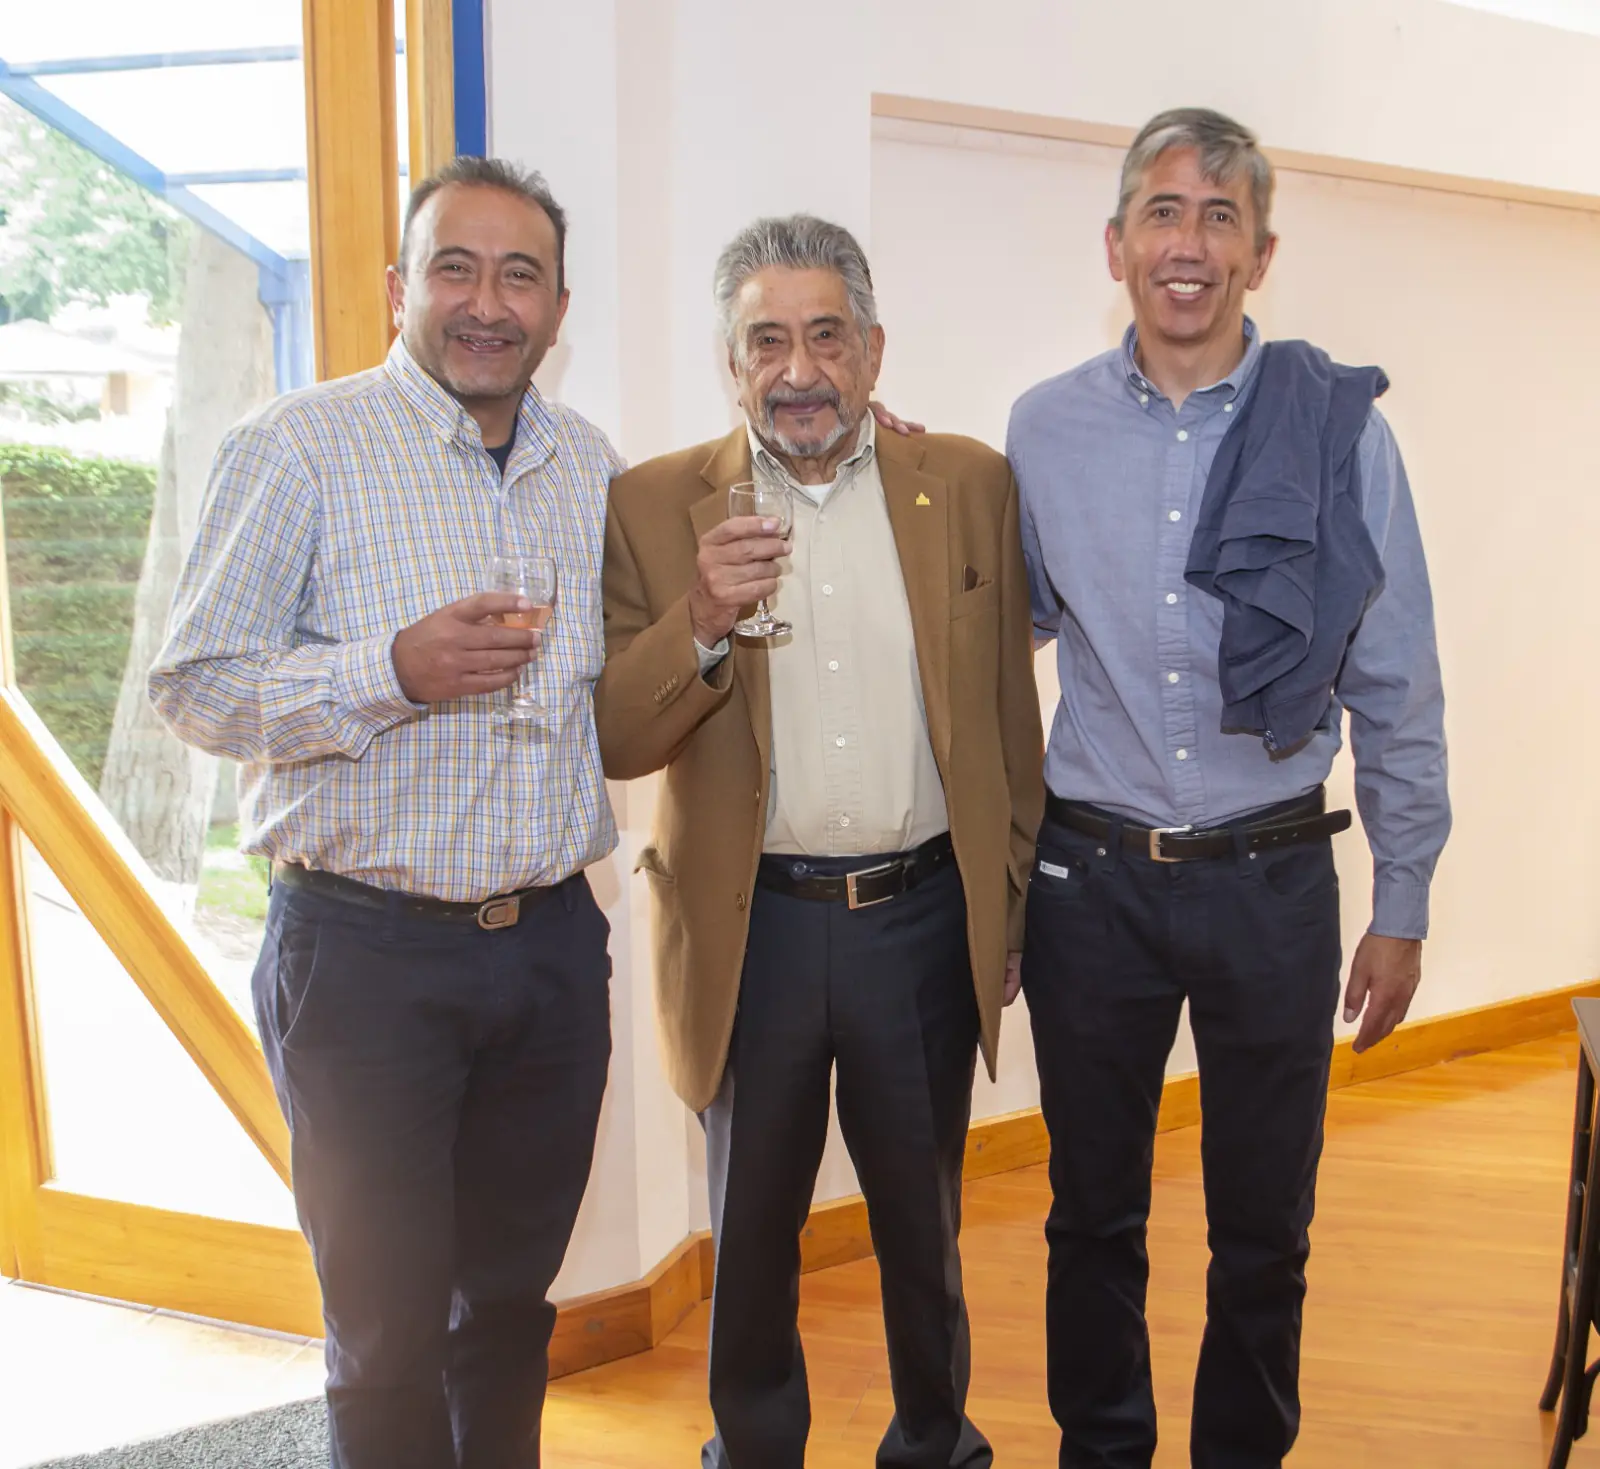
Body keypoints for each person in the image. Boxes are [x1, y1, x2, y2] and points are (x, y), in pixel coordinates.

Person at [149, 157, 620, 1469]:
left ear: (558, 305)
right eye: (455, 269)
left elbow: (639, 663)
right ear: (400, 287)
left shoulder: (589, 466)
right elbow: (195, 687)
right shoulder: (298, 446)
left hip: (548, 951)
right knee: (386, 1333)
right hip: (364, 960)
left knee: (511, 1309)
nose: (488, 302)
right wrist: (390, 672)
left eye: (519, 274)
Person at [1008, 108, 1451, 1468]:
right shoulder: (1043, 430)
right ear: (1116, 244)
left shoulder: (1341, 436)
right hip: (1089, 885)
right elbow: (995, 624)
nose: (1187, 244)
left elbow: (1397, 678)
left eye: (1218, 216)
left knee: (1265, 1228)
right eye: (1162, 211)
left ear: (1261, 253)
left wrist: (1402, 898)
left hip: (1274, 883)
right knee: (1091, 1218)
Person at [594, 214, 1044, 1469]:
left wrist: (1007, 901)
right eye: (767, 341)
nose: (799, 370)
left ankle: (935, 1443)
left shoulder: (966, 482)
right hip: (755, 933)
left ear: (874, 350)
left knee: (923, 1227)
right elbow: (618, 735)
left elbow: (1008, 715)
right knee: (750, 1234)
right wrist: (700, 615)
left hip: (920, 920)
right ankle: (754, 1451)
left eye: (827, 337)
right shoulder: (651, 505)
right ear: (729, 360)